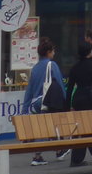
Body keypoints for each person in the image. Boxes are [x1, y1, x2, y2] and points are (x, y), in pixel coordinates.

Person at [22, 38, 65, 166]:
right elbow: (59, 84)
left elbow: (29, 90)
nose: (54, 53)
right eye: (53, 51)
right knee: (53, 125)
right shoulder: (52, 65)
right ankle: (59, 149)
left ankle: (40, 155)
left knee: (41, 127)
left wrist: (25, 109)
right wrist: (66, 100)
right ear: (48, 52)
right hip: (48, 101)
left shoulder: (35, 68)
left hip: (35, 102)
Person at [66, 42, 92, 166]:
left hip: (78, 98)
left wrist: (68, 105)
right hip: (90, 98)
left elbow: (70, 87)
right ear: (90, 52)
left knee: (83, 128)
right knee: (89, 128)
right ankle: (77, 158)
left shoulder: (75, 67)